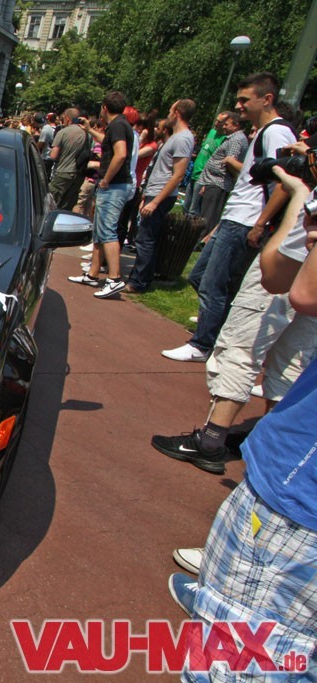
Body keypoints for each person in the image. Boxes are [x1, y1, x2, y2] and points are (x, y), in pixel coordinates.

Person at [166, 204, 317, 681]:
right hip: (293, 487)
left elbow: (299, 288)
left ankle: (212, 439)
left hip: (297, 505)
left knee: (229, 666)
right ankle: (223, 595)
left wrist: (300, 207)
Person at [152, 165, 317, 475]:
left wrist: (297, 194)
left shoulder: (308, 203)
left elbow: (273, 276)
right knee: (293, 359)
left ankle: (210, 441)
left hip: (290, 265)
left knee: (241, 347)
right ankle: (269, 444)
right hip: (309, 284)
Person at [163, 72, 297, 362]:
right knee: (201, 277)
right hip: (236, 218)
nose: (238, 106)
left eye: (244, 100)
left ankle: (203, 344)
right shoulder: (263, 132)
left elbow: (284, 184)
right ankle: (216, 331)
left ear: (267, 99)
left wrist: (260, 223)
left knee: (214, 284)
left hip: (246, 222)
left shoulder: (276, 133)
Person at [67, 92, 135, 299]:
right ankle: (93, 274)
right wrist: (90, 130)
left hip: (114, 185)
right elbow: (109, 143)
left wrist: (106, 179)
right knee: (100, 231)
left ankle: (114, 278)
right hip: (116, 185)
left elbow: (120, 153)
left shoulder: (117, 126)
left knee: (107, 232)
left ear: (105, 107)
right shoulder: (120, 126)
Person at [126, 99, 196, 294]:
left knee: (146, 239)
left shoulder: (183, 139)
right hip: (154, 192)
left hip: (160, 195)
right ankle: (143, 277)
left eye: (170, 111)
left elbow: (178, 174)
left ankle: (139, 282)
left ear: (177, 113)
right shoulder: (176, 137)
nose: (168, 115)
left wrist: (155, 201)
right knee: (146, 237)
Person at [193, 112, 248, 234]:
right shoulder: (232, 138)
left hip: (218, 184)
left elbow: (231, 162)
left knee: (208, 218)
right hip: (212, 182)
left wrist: (219, 174)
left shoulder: (237, 140)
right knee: (203, 215)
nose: (223, 126)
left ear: (236, 125)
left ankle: (203, 239)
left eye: (227, 124)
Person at [48, 108, 89, 209]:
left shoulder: (63, 132)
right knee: (67, 205)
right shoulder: (86, 133)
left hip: (63, 171)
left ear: (67, 118)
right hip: (79, 174)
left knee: (51, 201)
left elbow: (53, 156)